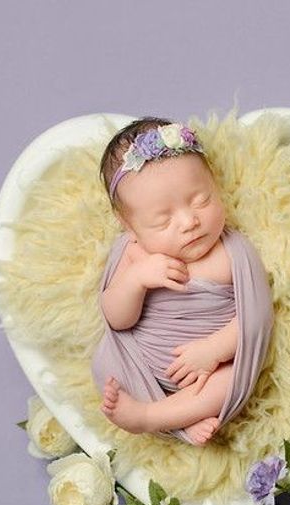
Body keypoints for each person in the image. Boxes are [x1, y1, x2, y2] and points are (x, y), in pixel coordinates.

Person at [91, 117, 273, 446]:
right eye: (163, 220)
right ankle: (181, 420)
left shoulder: (232, 252)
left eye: (201, 200)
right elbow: (116, 318)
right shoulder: (133, 254)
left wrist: (213, 349)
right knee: (104, 363)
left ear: (214, 184)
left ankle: (152, 417)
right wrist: (136, 281)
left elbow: (256, 318)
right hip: (140, 363)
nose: (190, 221)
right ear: (130, 226)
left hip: (207, 372)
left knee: (229, 380)